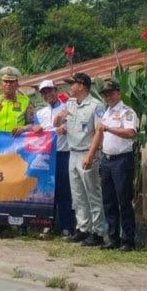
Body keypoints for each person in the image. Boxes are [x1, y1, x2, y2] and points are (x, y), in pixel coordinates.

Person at [83, 80, 137, 251]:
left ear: (118, 93)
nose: (109, 97)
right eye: (106, 95)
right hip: (107, 160)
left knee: (124, 201)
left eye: (111, 93)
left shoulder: (126, 112)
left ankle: (128, 240)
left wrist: (109, 129)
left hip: (122, 160)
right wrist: (90, 156)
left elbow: (130, 133)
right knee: (109, 201)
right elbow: (99, 134)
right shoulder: (107, 112)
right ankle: (113, 239)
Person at [54, 72, 105, 247]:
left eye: (73, 84)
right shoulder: (70, 103)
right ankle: (83, 228)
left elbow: (99, 132)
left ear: (81, 86)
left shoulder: (96, 106)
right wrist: (60, 119)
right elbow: (57, 125)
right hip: (72, 151)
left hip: (87, 152)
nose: (70, 87)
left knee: (92, 194)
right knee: (77, 194)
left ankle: (97, 232)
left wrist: (90, 155)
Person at [0, 66, 31, 236]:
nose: (8, 85)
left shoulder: (25, 102)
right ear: (0, 84)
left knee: (18, 185)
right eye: (5, 82)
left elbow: (32, 124)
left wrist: (23, 128)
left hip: (17, 151)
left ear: (17, 84)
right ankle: (2, 223)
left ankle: (21, 223)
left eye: (12, 82)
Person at [34, 80, 73, 239]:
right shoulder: (39, 113)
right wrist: (43, 130)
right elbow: (36, 131)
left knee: (65, 191)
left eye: (50, 91)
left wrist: (47, 130)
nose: (47, 94)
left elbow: (64, 130)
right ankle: (46, 225)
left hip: (63, 153)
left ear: (56, 91)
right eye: (44, 92)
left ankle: (66, 227)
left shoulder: (67, 108)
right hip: (46, 155)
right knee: (47, 192)